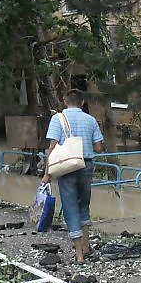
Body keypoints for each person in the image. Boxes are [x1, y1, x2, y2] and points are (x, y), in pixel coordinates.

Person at [43, 89, 105, 262]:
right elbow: (99, 148)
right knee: (84, 205)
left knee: (70, 207)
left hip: (66, 168)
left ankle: (79, 255)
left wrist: (47, 174)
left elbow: (52, 147)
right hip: (86, 165)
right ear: (82, 102)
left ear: (64, 100)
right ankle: (86, 247)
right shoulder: (90, 120)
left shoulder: (58, 119)